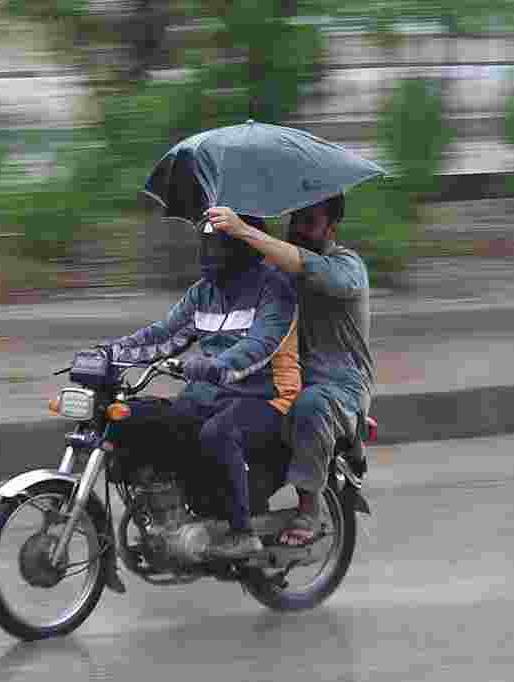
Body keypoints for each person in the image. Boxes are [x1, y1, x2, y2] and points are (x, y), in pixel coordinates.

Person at [104, 215, 301, 560]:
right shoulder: (202, 293)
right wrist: (109, 353)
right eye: (206, 245)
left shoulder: (274, 289)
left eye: (218, 246)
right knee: (142, 421)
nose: (208, 254)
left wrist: (217, 366)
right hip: (210, 393)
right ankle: (171, 515)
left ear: (243, 247)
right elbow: (164, 335)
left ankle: (243, 532)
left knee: (218, 433)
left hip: (264, 396)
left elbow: (260, 345)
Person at [204, 194, 374, 547]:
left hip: (336, 383)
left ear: (331, 226)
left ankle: (309, 508)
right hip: (284, 378)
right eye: (295, 219)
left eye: (310, 222)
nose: (298, 228)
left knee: (310, 404)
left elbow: (304, 265)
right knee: (206, 404)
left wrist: (244, 229)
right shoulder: (280, 270)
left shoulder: (346, 267)